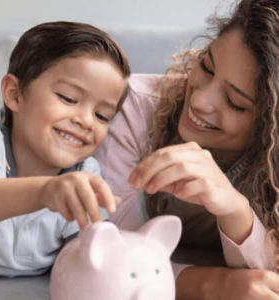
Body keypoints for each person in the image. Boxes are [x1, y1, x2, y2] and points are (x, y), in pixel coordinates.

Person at [95, 0, 279, 298]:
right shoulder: (132, 108)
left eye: (235, 102)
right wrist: (215, 285)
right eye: (207, 67)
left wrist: (235, 209)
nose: (199, 101)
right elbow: (113, 259)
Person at [0, 21, 130, 276]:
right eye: (68, 99)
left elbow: (91, 255)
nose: (85, 120)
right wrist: (44, 192)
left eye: (102, 116)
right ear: (15, 94)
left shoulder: (86, 174)